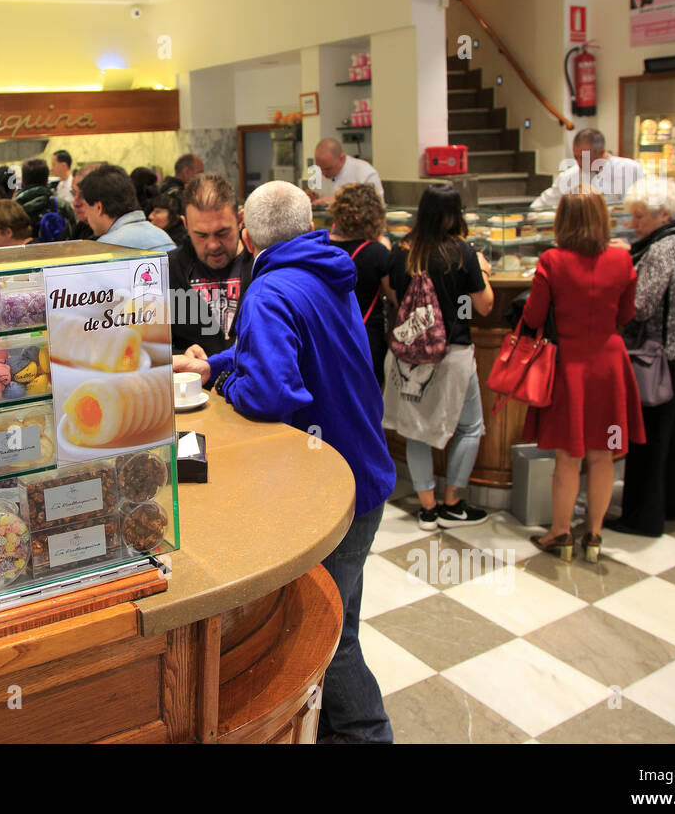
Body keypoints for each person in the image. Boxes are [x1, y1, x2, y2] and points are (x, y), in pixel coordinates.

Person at [175, 180, 396, 744]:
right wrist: (217, 362)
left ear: (247, 233)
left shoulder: (269, 290)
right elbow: (289, 341)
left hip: (331, 485)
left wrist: (223, 378)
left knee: (331, 634)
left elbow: (274, 394)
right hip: (363, 466)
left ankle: (369, 734)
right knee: (342, 616)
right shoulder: (327, 267)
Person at [521, 189, 646, 562]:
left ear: (563, 220)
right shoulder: (622, 259)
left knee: (567, 456)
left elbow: (532, 316)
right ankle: (594, 535)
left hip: (568, 368)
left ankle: (560, 533)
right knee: (603, 455)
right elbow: (627, 315)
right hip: (609, 368)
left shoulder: (552, 261)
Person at [383, 183, 494, 529]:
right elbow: (485, 305)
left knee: (416, 431)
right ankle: (453, 504)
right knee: (470, 427)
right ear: (453, 214)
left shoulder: (403, 250)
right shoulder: (462, 252)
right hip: (453, 354)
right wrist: (484, 271)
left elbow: (392, 293)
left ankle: (427, 507)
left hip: (407, 357)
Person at [607, 177, 675, 537]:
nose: (634, 223)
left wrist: (623, 267)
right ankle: (669, 504)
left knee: (647, 439)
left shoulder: (665, 249)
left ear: (663, 214)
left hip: (660, 353)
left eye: (640, 217)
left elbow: (642, 305)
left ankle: (641, 516)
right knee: (674, 433)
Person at [168, 173, 253, 358]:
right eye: (201, 235)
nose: (213, 245)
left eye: (222, 233)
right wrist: (181, 354)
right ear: (185, 225)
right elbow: (153, 348)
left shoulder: (260, 266)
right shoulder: (168, 271)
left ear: (240, 220)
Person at [329, 183, 393, 391]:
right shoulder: (377, 252)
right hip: (366, 337)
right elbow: (395, 296)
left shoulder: (322, 248)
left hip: (329, 336)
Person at [532, 128, 643, 209]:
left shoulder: (630, 169)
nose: (579, 163)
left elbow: (640, 207)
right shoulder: (569, 176)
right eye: (576, 157)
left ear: (601, 152)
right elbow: (543, 203)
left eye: (584, 157)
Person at [82, 165, 178, 252]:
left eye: (86, 207)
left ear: (99, 208)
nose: (86, 215)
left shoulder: (104, 248)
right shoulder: (164, 238)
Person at [15, 157, 75, 240]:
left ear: (23, 180)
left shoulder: (12, 208)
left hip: (23, 252)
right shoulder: (60, 204)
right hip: (57, 251)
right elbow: (74, 231)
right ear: (47, 180)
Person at [312, 138, 383, 202]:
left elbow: (377, 205)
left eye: (328, 169)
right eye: (320, 168)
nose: (323, 174)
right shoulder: (318, 175)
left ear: (341, 158)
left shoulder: (365, 172)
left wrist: (339, 199)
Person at [69, 163, 102, 241]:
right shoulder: (78, 228)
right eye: (74, 193)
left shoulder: (114, 240)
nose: (75, 203)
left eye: (83, 195)